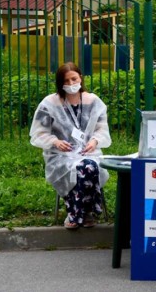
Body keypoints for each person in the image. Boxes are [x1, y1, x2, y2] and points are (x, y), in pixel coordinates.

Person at [30, 62, 111, 230]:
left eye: (74, 79)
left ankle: (79, 212)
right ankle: (82, 212)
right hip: (60, 155)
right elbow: (39, 132)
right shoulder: (50, 103)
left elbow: (102, 129)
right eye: (66, 81)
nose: (71, 84)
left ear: (80, 77)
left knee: (89, 166)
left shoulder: (93, 101)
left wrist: (94, 141)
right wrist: (55, 142)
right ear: (60, 84)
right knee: (82, 168)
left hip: (88, 151)